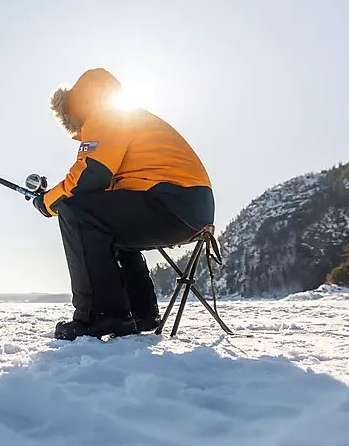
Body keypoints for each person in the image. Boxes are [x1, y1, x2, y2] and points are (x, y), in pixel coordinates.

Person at [32, 68, 215, 340]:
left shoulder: (105, 116)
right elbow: (106, 183)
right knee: (104, 226)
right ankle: (141, 314)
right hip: (188, 206)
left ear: (79, 104)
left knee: (76, 211)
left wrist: (48, 202)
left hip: (171, 201)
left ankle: (101, 316)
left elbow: (90, 176)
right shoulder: (129, 117)